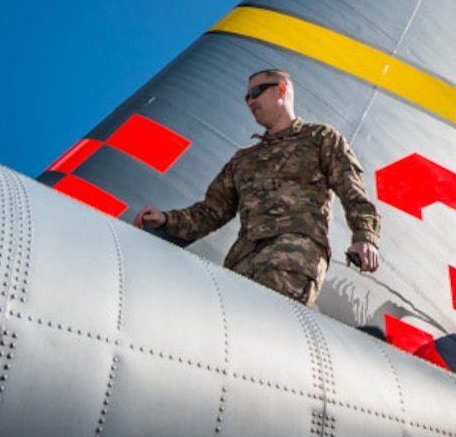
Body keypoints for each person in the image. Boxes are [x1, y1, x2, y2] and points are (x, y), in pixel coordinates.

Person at [132, 69, 381, 307]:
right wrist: (166, 220)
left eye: (257, 91)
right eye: (246, 96)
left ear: (281, 90)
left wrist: (365, 237)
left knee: (265, 327)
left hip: (292, 255)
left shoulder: (320, 138)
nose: (249, 100)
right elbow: (211, 212)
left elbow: (352, 190)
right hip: (241, 263)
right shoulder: (244, 159)